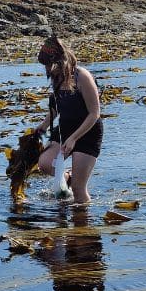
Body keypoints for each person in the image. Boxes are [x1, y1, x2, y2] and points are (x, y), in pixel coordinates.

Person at [34, 35, 103, 203]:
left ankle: (82, 227)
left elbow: (95, 113)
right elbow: (56, 107)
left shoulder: (82, 77)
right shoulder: (56, 77)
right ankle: (67, 178)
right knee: (44, 163)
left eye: (51, 65)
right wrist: (42, 127)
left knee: (79, 191)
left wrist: (73, 139)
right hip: (65, 129)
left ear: (62, 60)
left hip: (88, 132)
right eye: (46, 66)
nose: (49, 69)